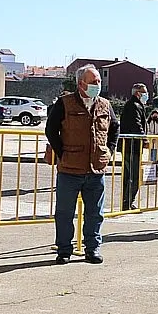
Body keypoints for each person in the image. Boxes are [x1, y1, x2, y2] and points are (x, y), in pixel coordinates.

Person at [45, 64, 119, 264]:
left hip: (96, 169)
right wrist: (63, 154)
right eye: (93, 82)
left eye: (99, 81)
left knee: (95, 213)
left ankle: (92, 249)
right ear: (80, 84)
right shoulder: (64, 103)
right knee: (64, 213)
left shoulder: (105, 104)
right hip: (70, 169)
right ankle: (64, 250)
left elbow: (114, 128)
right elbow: (51, 130)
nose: (98, 85)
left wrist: (109, 150)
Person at [120, 83, 148, 211]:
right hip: (132, 145)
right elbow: (136, 125)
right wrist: (144, 138)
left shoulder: (135, 105)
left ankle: (127, 201)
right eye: (144, 92)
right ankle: (128, 201)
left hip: (131, 145)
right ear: (138, 93)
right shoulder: (134, 106)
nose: (146, 95)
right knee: (134, 175)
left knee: (129, 174)